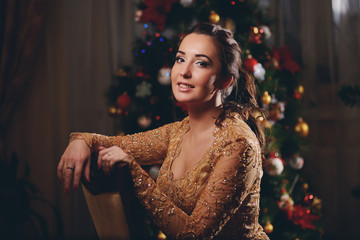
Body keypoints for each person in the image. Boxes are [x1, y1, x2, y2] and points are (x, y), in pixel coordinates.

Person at [57, 23, 270, 239]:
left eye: (201, 63)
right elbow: (105, 142)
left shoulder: (239, 144)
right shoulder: (178, 132)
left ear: (225, 81)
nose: (184, 72)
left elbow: (193, 236)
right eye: (180, 59)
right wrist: (80, 140)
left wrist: (135, 173)